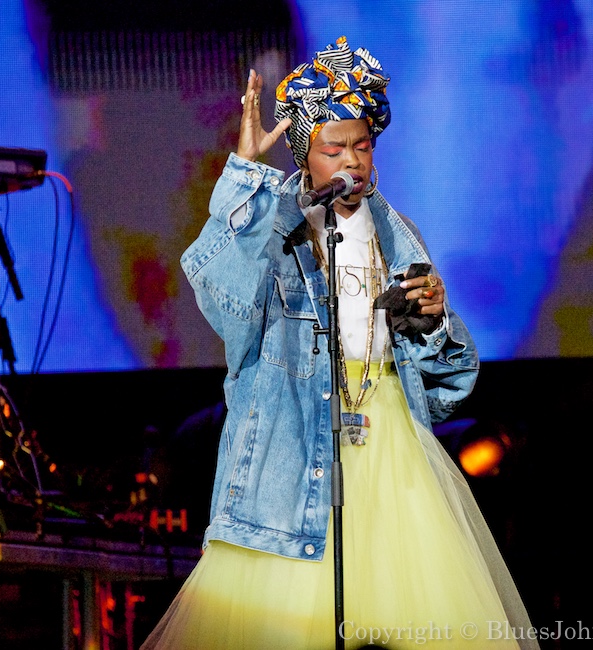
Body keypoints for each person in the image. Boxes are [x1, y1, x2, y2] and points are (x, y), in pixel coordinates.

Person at [142, 37, 536, 649]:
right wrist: (244, 177)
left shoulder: (397, 234)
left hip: (388, 445)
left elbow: (447, 386)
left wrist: (433, 322)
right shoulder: (272, 220)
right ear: (305, 154)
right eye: (333, 149)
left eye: (362, 145)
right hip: (292, 451)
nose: (351, 162)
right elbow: (224, 301)